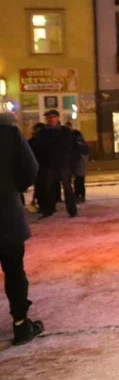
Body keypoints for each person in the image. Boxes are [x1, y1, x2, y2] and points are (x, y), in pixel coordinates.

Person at [0, 114, 45, 345]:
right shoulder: (8, 133)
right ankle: (20, 324)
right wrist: (11, 189)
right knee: (14, 271)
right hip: (5, 215)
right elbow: (30, 168)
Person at [34, 110, 78, 218]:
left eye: (53, 117)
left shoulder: (65, 132)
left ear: (58, 118)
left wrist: (72, 163)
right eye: (49, 117)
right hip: (49, 165)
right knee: (48, 188)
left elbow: (72, 148)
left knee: (67, 188)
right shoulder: (43, 133)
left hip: (63, 164)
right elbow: (38, 149)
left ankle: (72, 210)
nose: (50, 119)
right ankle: (48, 210)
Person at [66, 122, 90, 203]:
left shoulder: (74, 136)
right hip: (76, 160)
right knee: (78, 180)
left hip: (78, 160)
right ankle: (79, 195)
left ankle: (79, 195)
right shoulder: (75, 137)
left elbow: (82, 149)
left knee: (79, 180)